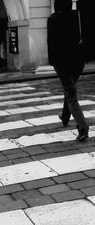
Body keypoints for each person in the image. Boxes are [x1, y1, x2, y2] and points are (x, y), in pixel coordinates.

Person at [47, 0, 89, 142]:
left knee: (71, 94)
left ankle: (83, 128)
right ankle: (65, 116)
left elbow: (51, 42)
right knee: (69, 88)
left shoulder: (53, 19)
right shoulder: (76, 16)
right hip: (78, 61)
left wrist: (52, 62)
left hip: (62, 62)